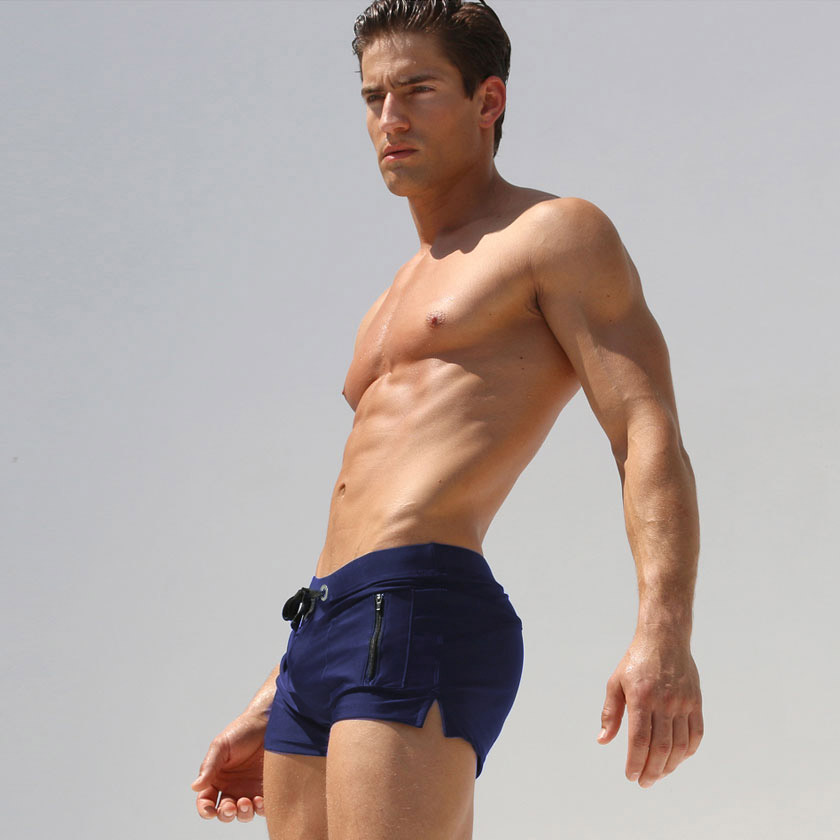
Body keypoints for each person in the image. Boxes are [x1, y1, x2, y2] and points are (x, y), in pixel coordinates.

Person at [190, 1, 703, 837]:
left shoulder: (552, 234)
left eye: (417, 89)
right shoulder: (390, 298)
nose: (389, 118)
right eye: (373, 97)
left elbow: (647, 431)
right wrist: (278, 685)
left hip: (419, 607)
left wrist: (663, 633)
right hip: (321, 624)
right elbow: (364, 503)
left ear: (487, 99)